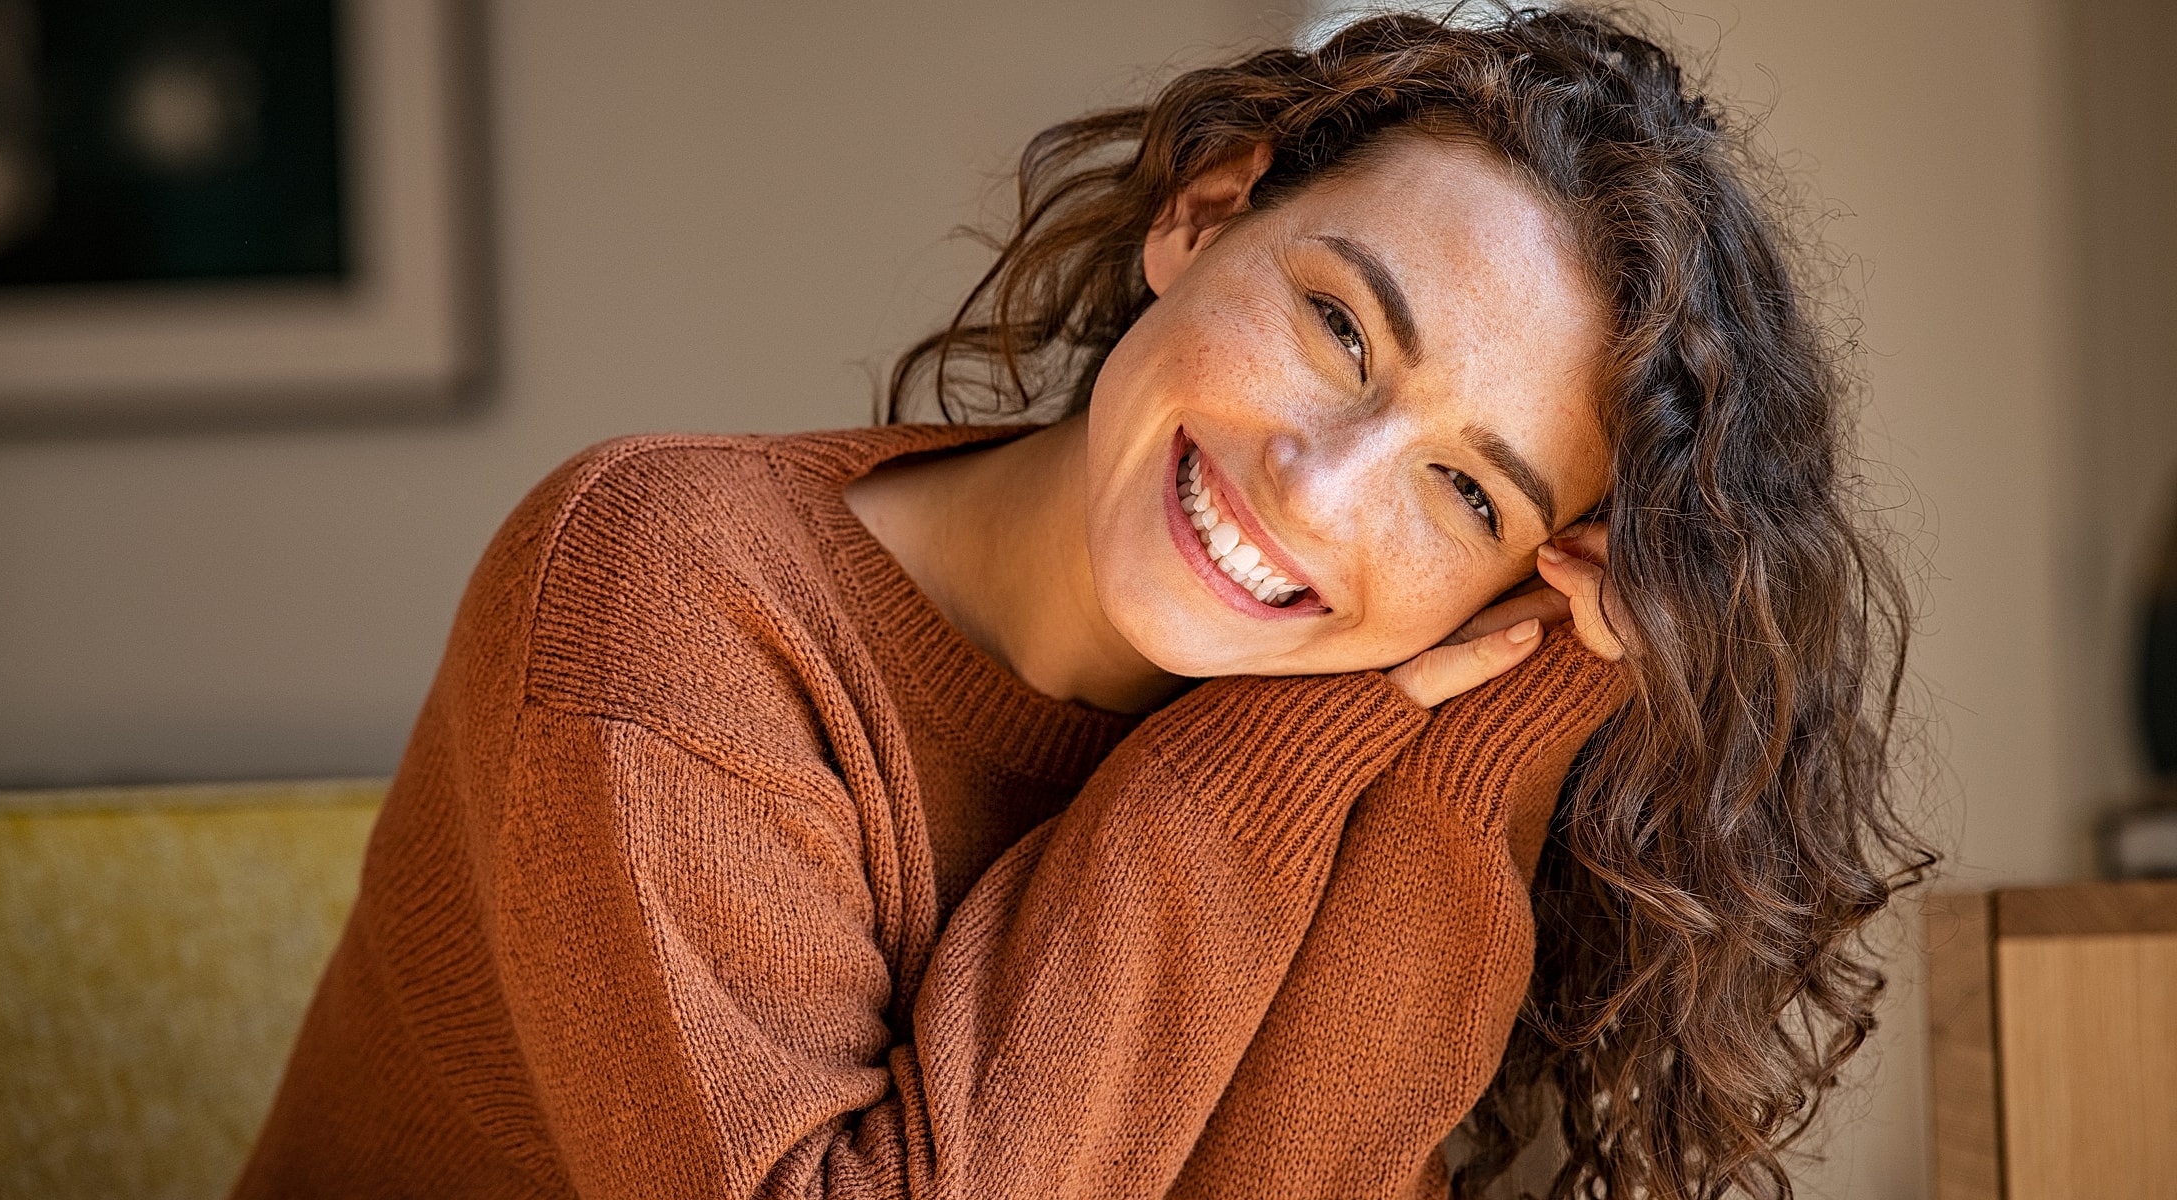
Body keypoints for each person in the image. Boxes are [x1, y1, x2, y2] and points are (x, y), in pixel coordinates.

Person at [236, 8, 1930, 1198]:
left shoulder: (1378, 738)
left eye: (1469, 492)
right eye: (1343, 330)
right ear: (1203, 217)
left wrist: (1495, 728)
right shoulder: (666, 591)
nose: (1319, 488)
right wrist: (1227, 783)